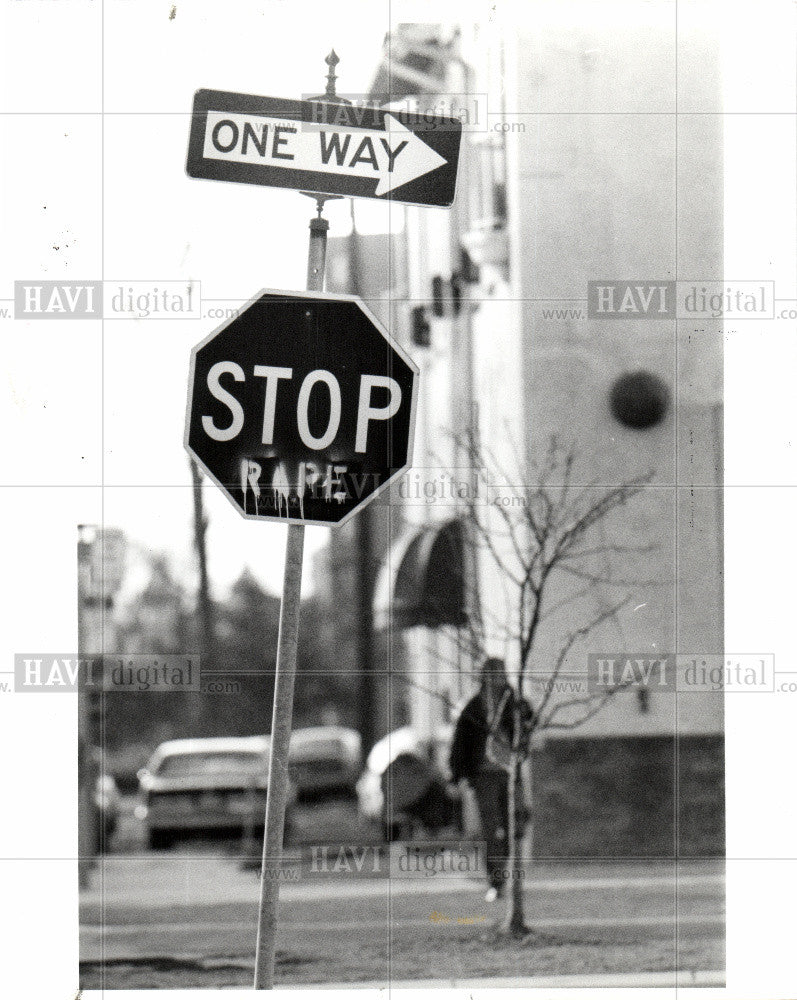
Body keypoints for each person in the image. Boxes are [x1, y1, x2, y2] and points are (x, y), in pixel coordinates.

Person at [449, 658, 534, 901]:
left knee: (514, 825)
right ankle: (495, 881)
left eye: (500, 674)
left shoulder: (515, 703)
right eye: (492, 674)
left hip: (509, 773)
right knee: (489, 829)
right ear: (484, 676)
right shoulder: (474, 707)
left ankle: (504, 871)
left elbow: (529, 723)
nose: (497, 679)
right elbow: (460, 742)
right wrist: (459, 775)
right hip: (484, 775)